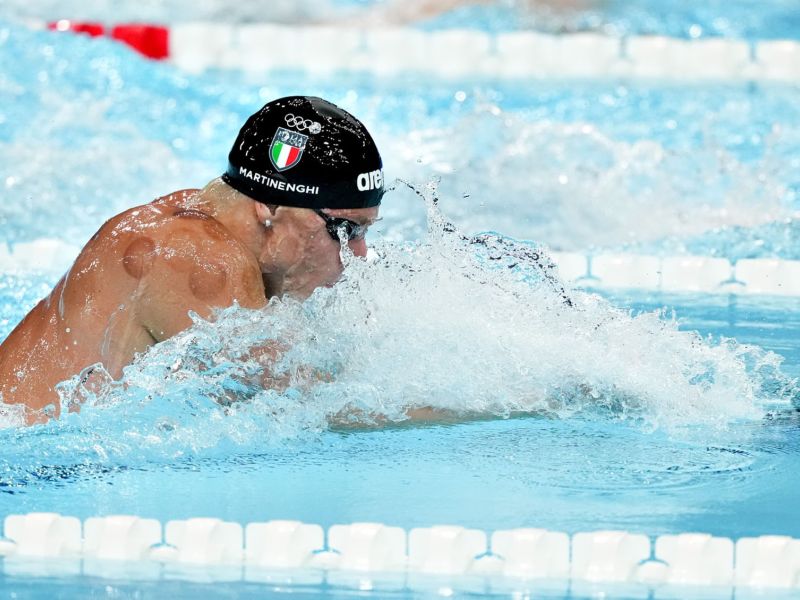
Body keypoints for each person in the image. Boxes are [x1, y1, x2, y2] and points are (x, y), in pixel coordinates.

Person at [0, 96, 384, 424]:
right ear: (269, 205)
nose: (359, 255)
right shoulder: (199, 256)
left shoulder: (206, 223)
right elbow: (308, 407)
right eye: (345, 229)